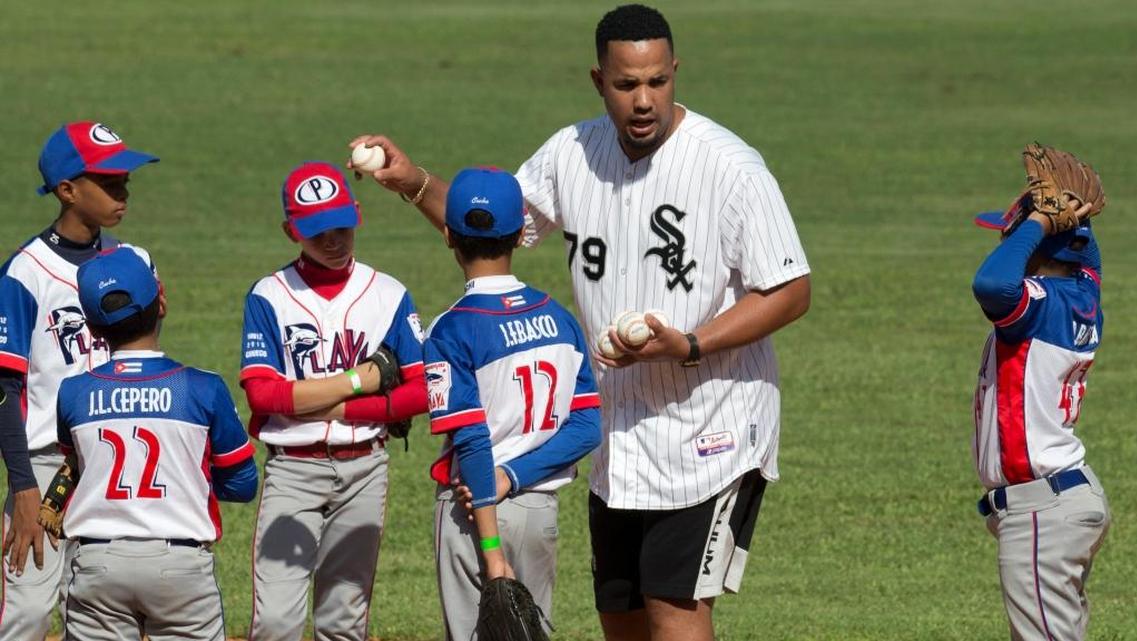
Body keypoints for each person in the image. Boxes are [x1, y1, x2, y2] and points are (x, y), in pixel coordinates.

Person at [350, 4, 811, 639]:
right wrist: (414, 182)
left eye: (657, 81)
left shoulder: (729, 167)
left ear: (675, 71)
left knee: (676, 612)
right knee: (619, 619)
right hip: (617, 443)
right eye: (626, 85)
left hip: (713, 435)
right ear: (600, 81)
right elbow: (493, 225)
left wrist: (690, 344)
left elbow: (790, 289)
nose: (643, 100)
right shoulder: (572, 153)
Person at [240, 161, 429, 641]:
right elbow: (264, 394)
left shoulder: (388, 294)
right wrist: (359, 381)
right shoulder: (269, 296)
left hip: (365, 469)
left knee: (343, 621)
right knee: (276, 623)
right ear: (290, 230)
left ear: (357, 214)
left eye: (340, 225)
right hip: (292, 471)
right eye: (315, 229)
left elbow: (422, 390)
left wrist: (331, 406)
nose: (332, 239)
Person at [424, 167, 602, 640]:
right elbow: (587, 427)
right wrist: (518, 475)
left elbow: (474, 440)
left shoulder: (452, 329)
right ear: (520, 235)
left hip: (475, 512)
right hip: (537, 510)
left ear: (448, 236)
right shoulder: (558, 319)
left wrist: (492, 551)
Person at [0, 121, 158, 640]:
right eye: (109, 182)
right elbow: (7, 389)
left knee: (97, 615)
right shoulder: (26, 273)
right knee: (23, 611)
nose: (123, 192)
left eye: (124, 180)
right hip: (46, 467)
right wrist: (22, 486)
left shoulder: (134, 261)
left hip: (114, 464)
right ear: (67, 190)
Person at [53, 246, 258, 641]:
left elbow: (77, 467)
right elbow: (243, 484)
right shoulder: (202, 388)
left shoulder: (73, 393)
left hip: (97, 567)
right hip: (180, 569)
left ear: (93, 329)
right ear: (160, 299)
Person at [971, 196, 1110, 640]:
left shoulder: (1035, 305)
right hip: (1064, 500)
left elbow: (992, 283)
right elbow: (1088, 262)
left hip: (1042, 511)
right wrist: (1073, 222)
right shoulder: (1081, 295)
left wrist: (1036, 223)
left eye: (1008, 238)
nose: (1003, 244)